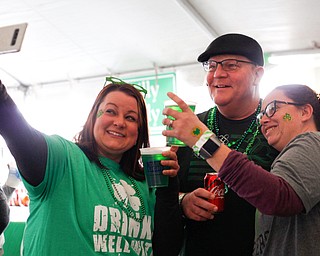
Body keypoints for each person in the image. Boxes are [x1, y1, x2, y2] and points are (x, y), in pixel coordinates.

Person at [0, 77, 180, 256]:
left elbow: (167, 248)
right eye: (110, 111)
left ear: (139, 133)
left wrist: (170, 188)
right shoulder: (62, 159)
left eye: (131, 118)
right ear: (93, 118)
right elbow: (14, 127)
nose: (119, 122)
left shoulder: (148, 185)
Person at [163, 84, 320, 255]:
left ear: (305, 112)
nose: (263, 120)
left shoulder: (313, 142)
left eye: (272, 108)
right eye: (262, 114)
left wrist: (199, 138)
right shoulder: (290, 156)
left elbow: (277, 197)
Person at [172, 33, 279, 255]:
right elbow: (163, 193)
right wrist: (184, 201)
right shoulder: (190, 125)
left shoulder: (276, 125)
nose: (218, 74)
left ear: (258, 74)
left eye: (231, 65)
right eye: (211, 66)